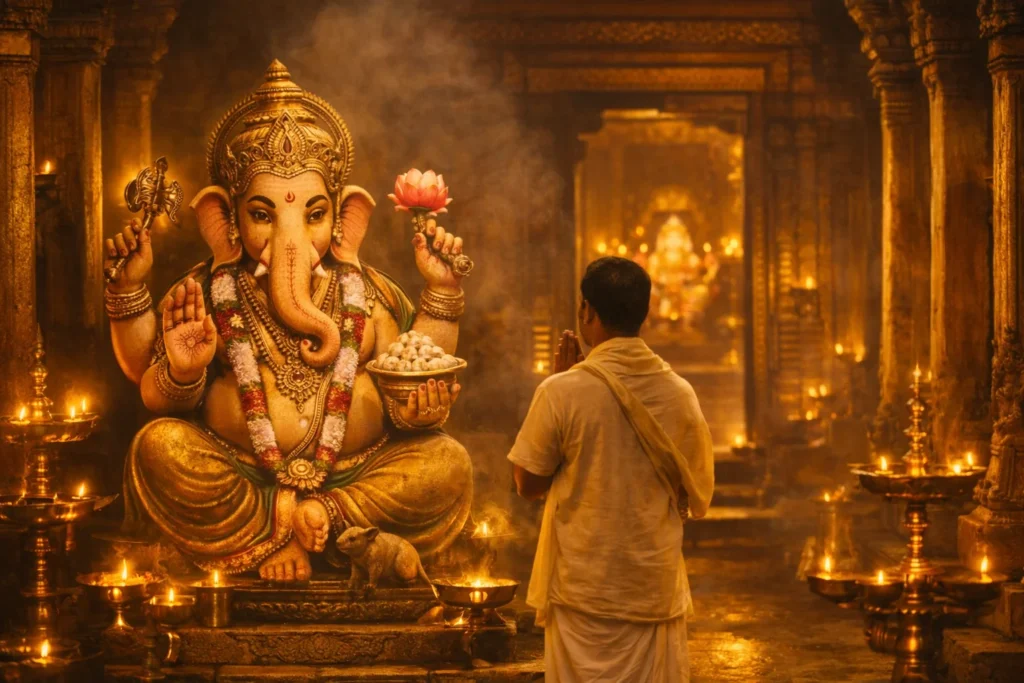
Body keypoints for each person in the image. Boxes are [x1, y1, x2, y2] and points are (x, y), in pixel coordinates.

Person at [508, 256, 715, 682]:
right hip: (651, 585)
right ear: (647, 312)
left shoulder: (561, 391)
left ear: (587, 311)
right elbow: (693, 494)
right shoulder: (681, 393)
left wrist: (562, 385)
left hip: (584, 588)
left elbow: (528, 484)